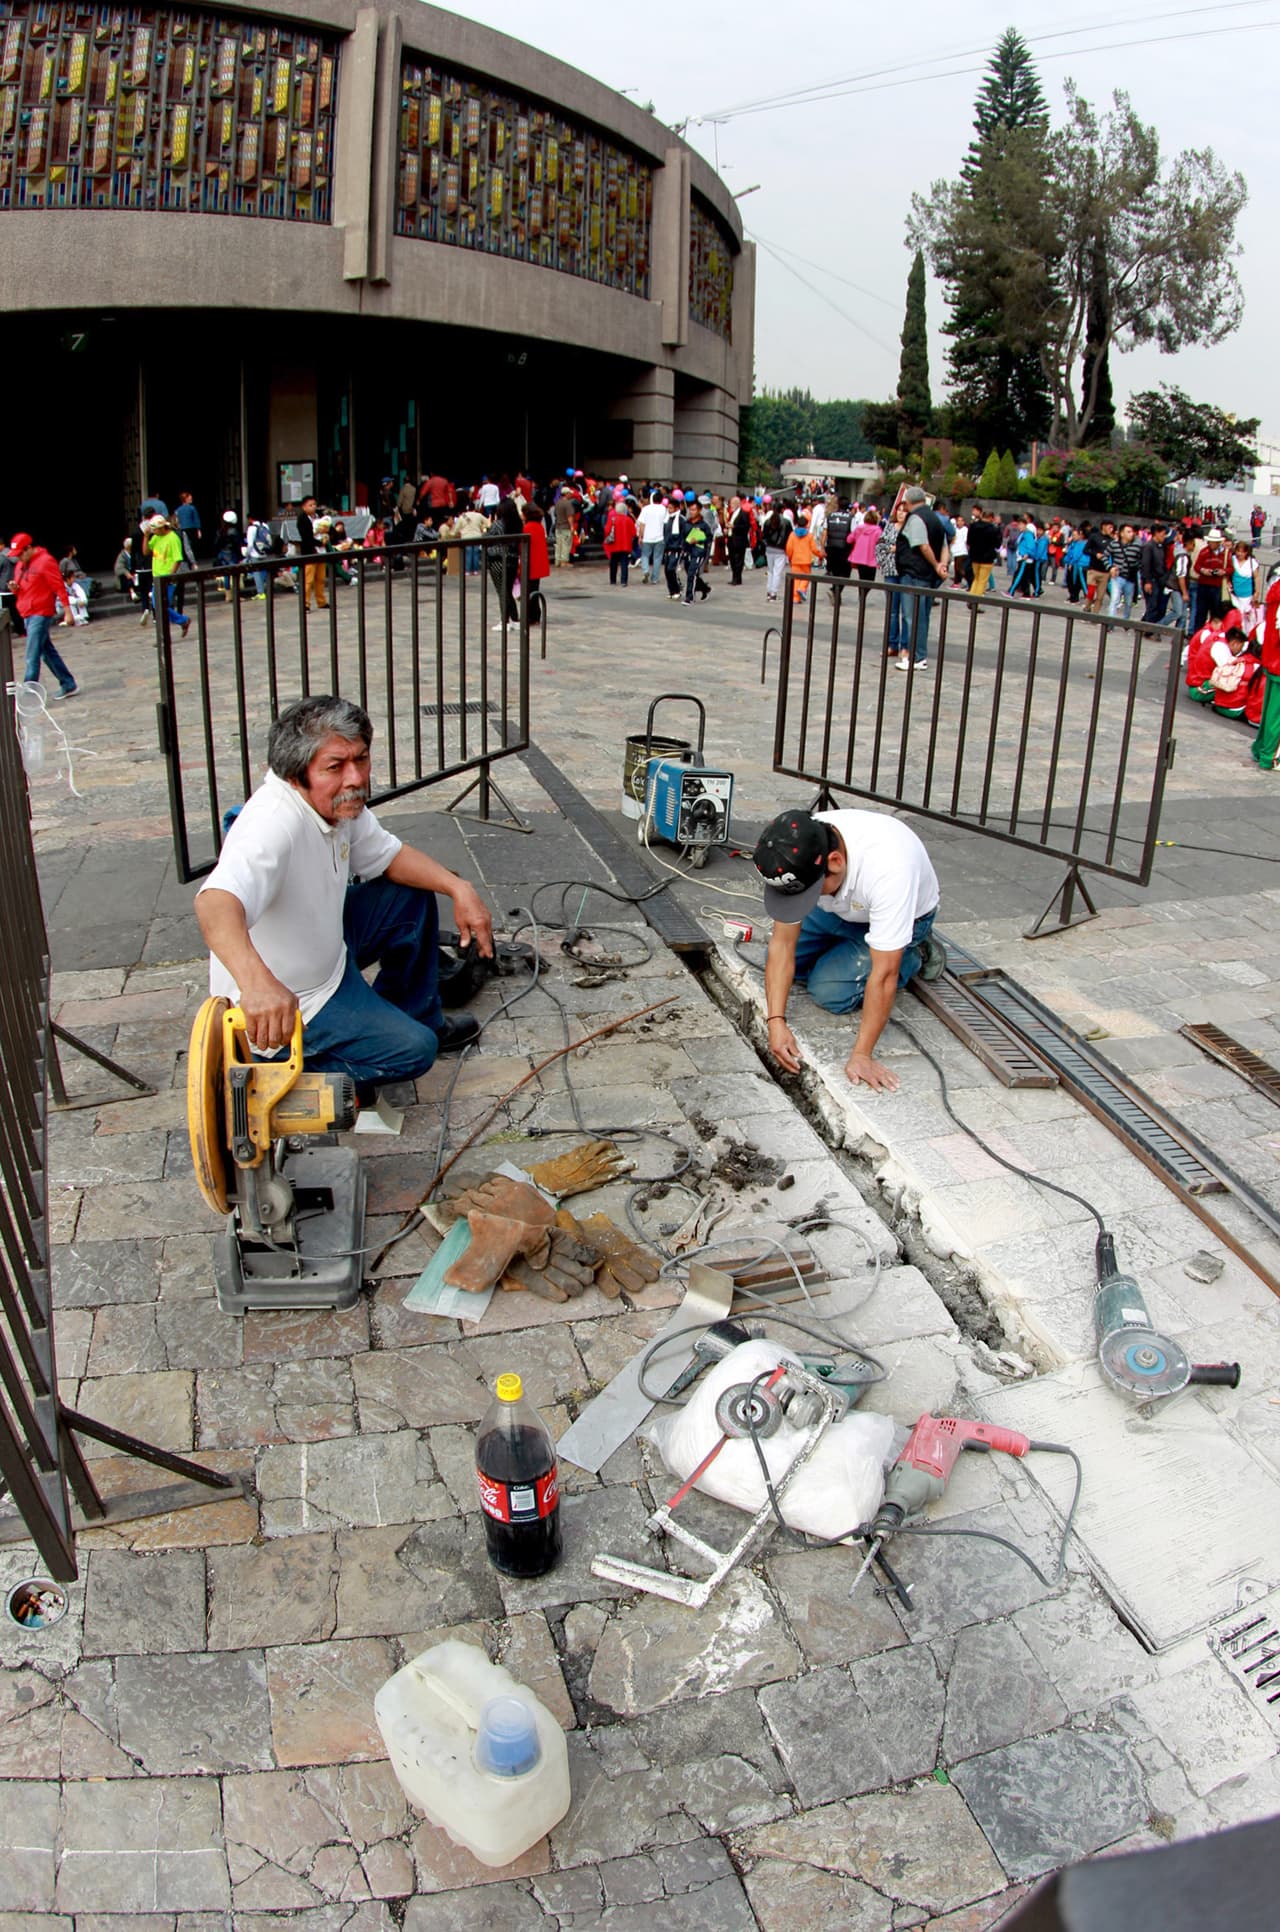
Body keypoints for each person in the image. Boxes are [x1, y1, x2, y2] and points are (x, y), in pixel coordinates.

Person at [195, 695, 492, 1101]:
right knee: (415, 1051)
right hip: (298, 999)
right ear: (296, 775)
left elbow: (389, 856)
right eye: (335, 767)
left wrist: (461, 889)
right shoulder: (272, 824)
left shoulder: (338, 804)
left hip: (328, 945)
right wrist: (258, 985)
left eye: (361, 759)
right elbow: (214, 902)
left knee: (412, 895)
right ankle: (272, 1072)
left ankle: (413, 1014)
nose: (355, 777)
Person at [753, 806, 942, 1092]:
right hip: (839, 908)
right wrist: (775, 1020)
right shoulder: (800, 848)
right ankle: (849, 946)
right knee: (780, 964)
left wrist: (861, 1056)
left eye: (807, 892)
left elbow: (884, 976)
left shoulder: (890, 869)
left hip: (897, 913)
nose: (801, 899)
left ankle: (913, 953)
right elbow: (782, 944)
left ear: (836, 861)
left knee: (829, 992)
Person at [7, 533, 78, 697]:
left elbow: (58, 586)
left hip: (40, 612)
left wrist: (67, 611)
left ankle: (29, 693)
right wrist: (15, 588)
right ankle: (68, 683)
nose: (18, 558)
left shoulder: (45, 561)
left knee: (32, 654)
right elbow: (22, 586)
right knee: (46, 653)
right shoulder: (20, 565)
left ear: (29, 548)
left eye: (20, 554)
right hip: (27, 611)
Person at [894, 485, 948, 668]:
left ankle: (916, 656)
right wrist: (942, 565)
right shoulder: (936, 518)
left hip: (914, 573)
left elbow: (923, 546)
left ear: (908, 502)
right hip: (927, 576)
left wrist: (935, 564)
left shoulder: (916, 518)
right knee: (922, 616)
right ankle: (919, 655)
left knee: (912, 616)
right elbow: (944, 546)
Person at [145, 516, 192, 636]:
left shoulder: (173, 538)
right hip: (157, 577)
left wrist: (170, 577)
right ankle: (182, 621)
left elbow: (177, 559)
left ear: (162, 528)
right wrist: (146, 536)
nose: (153, 532)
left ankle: (169, 631)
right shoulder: (156, 537)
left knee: (162, 606)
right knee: (159, 606)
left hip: (167, 578)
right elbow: (146, 551)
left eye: (155, 529)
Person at [1189, 526, 1229, 632]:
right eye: (1210, 541)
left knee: (1215, 613)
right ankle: (1197, 634)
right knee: (1200, 612)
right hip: (1203, 585)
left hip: (1217, 586)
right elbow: (1196, 566)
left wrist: (1223, 572)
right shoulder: (1204, 552)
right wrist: (1203, 570)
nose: (1211, 544)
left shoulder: (1225, 553)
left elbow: (1230, 568)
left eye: (1213, 542)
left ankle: (1213, 633)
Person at [296, 496, 327, 611]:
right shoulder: (302, 519)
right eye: (310, 505)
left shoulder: (319, 517)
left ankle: (321, 601)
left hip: (321, 552)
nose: (313, 507)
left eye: (314, 504)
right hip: (310, 551)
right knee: (308, 580)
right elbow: (306, 537)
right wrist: (318, 542)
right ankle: (305, 603)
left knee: (321, 578)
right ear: (304, 507)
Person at [1107, 523, 1142, 620]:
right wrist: (1110, 567)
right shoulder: (1114, 544)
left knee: (1128, 602)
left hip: (1130, 578)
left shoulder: (1137, 546)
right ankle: (1110, 623)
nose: (1131, 534)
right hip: (1117, 576)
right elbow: (1105, 555)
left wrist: (1136, 566)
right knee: (1115, 599)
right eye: (1128, 532)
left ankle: (1125, 621)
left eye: (1132, 532)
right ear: (1122, 533)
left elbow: (1141, 559)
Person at [680, 499, 712, 604]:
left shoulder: (703, 525)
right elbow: (683, 536)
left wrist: (699, 540)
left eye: (694, 510)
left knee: (692, 573)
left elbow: (709, 538)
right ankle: (704, 588)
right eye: (690, 510)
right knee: (691, 573)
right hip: (688, 551)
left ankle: (690, 597)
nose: (692, 512)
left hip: (699, 551)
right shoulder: (686, 523)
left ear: (699, 510)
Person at [1140, 521, 1170, 625]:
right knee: (1152, 606)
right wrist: (1147, 581)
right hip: (1151, 579)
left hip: (1160, 580)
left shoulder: (1161, 546)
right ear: (1156, 533)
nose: (1164, 536)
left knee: (1157, 605)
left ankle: (1143, 625)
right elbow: (1145, 564)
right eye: (1162, 534)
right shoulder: (1148, 546)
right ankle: (1148, 630)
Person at [603, 493, 637, 586]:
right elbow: (634, 532)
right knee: (624, 563)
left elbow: (606, 530)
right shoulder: (628, 520)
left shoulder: (612, 519)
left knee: (613, 563)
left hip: (614, 544)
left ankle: (613, 580)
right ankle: (623, 581)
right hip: (625, 545)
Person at [636, 491, 668, 584]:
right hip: (660, 536)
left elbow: (642, 523)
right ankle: (654, 578)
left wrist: (640, 536)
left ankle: (645, 571)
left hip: (647, 537)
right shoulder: (663, 509)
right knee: (657, 558)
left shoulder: (646, 509)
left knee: (645, 555)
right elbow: (666, 522)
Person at [967, 508, 1000, 599]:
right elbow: (997, 545)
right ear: (991, 518)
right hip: (987, 558)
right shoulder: (993, 529)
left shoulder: (973, 526)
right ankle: (976, 601)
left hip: (974, 556)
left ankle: (971, 597)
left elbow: (969, 541)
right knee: (982, 581)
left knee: (976, 578)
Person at [784, 513, 817, 604]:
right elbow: (814, 549)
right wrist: (820, 555)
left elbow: (789, 548)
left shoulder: (792, 535)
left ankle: (796, 598)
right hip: (806, 560)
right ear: (806, 524)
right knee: (806, 576)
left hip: (795, 560)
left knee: (796, 579)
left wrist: (790, 557)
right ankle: (802, 589)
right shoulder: (809, 536)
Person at [761, 501, 790, 602]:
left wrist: (767, 544)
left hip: (769, 548)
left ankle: (769, 591)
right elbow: (789, 536)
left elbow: (763, 536)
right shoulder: (786, 522)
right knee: (777, 572)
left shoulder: (767, 521)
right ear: (782, 510)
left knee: (770, 571)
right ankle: (773, 593)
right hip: (781, 549)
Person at [848, 507, 879, 583]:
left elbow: (849, 539)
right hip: (872, 559)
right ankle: (863, 594)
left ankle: (861, 594)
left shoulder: (859, 528)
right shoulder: (878, 530)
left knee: (862, 578)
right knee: (871, 580)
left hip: (859, 557)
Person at [174, 491, 202, 556]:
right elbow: (196, 519)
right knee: (189, 545)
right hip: (191, 529)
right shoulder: (192, 508)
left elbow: (176, 520)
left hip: (181, 529)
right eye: (190, 499)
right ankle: (192, 560)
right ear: (186, 499)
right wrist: (199, 530)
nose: (191, 500)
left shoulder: (178, 509)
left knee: (185, 545)